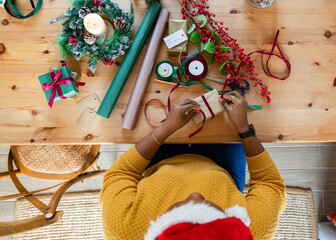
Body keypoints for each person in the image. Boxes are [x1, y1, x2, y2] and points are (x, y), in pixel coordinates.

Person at [99, 91, 286, 240]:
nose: (195, 194)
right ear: (232, 219)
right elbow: (269, 183)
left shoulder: (122, 229)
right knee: (227, 128)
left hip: (156, 165)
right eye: (210, 209)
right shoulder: (252, 231)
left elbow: (121, 174)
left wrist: (166, 128)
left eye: (182, 208)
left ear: (158, 226)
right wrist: (244, 129)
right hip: (221, 169)